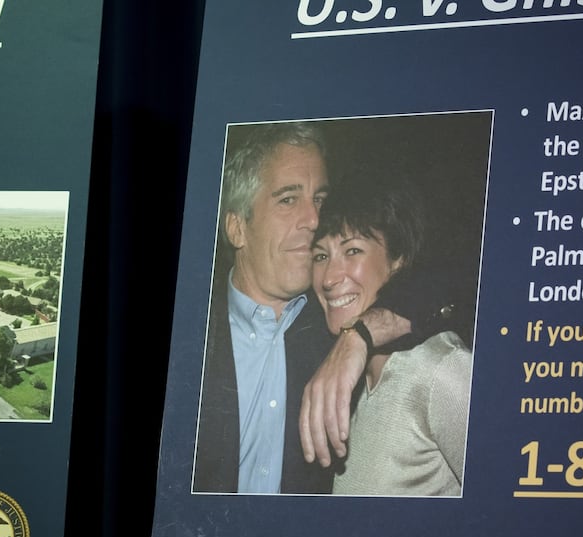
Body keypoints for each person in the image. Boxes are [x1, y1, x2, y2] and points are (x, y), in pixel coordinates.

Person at [193, 122, 443, 494]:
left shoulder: (338, 317)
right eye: (288, 199)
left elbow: (441, 283)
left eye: (320, 200)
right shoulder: (190, 331)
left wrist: (358, 337)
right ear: (237, 228)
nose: (313, 220)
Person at [309, 179, 472, 496]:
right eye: (320, 256)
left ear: (398, 261)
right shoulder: (339, 374)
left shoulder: (442, 370)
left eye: (352, 250)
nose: (329, 278)